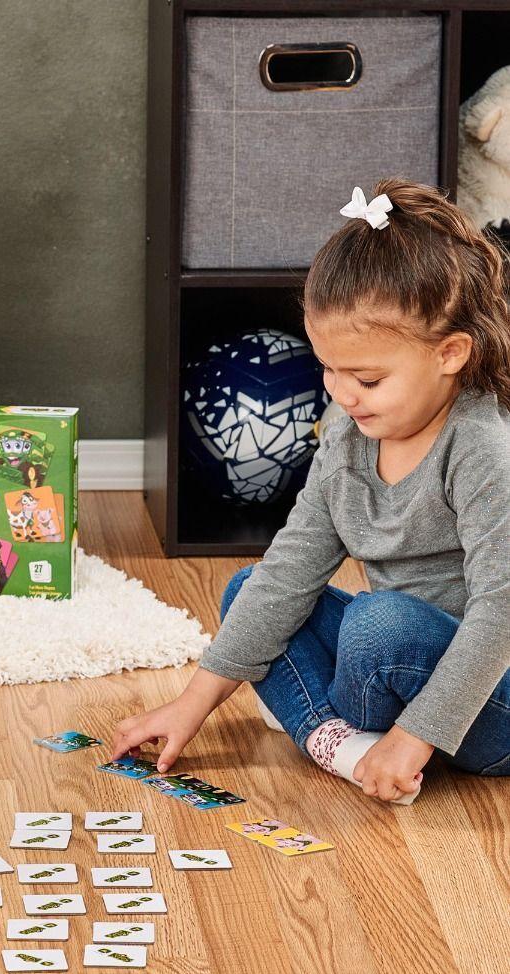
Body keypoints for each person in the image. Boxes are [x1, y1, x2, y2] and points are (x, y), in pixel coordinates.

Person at [113, 179, 510, 803]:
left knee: (380, 625)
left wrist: (416, 735)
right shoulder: (350, 432)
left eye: (368, 379)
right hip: (388, 671)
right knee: (250, 590)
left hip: (490, 699)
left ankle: (330, 722)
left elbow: (500, 614)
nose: (344, 395)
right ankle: (346, 744)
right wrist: (192, 703)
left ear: (450, 354)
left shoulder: (482, 447)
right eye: (329, 368)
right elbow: (291, 569)